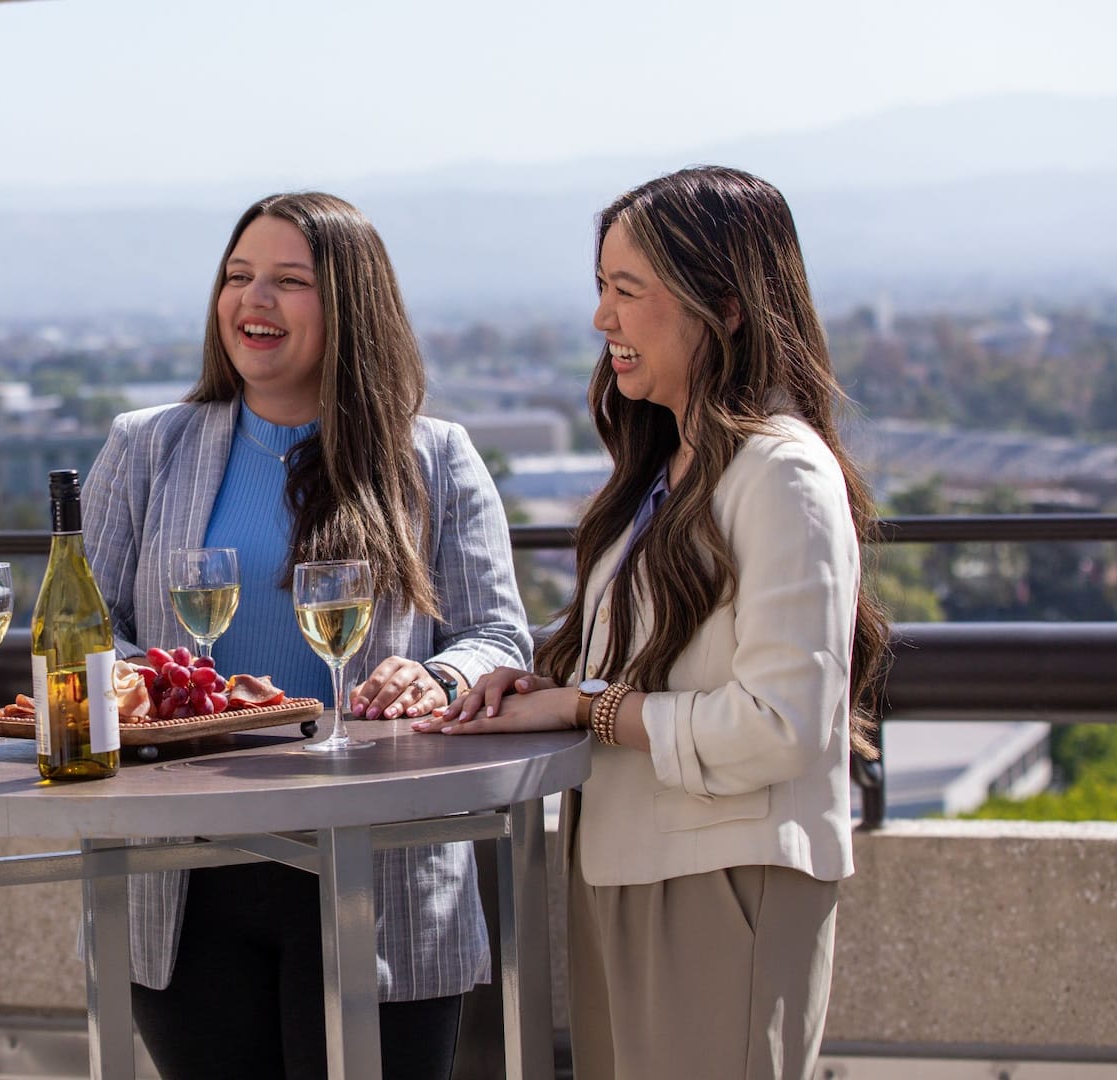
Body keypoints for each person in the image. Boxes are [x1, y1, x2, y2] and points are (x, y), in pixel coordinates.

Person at [415, 165, 888, 1079]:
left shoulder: (781, 474)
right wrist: (552, 686)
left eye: (628, 291)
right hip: (627, 868)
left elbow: (782, 724)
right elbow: (656, 671)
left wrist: (587, 710)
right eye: (601, 288)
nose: (604, 320)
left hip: (724, 883)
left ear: (728, 305)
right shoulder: (670, 471)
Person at [84, 191, 533, 1079]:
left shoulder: (435, 457)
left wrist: (438, 678)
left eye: (289, 281)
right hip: (184, 875)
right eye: (238, 276)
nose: (254, 300)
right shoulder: (143, 448)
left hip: (380, 864)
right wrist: (159, 685)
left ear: (351, 308)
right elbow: (90, 630)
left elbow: (497, 636)